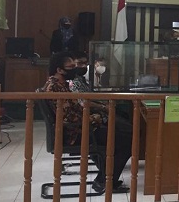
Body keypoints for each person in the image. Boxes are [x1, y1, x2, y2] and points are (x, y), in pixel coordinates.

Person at [42, 51, 131, 193]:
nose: (75, 69)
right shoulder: (54, 88)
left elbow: (75, 109)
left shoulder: (59, 84)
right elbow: (70, 118)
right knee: (127, 141)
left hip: (80, 128)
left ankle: (106, 177)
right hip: (75, 133)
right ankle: (105, 181)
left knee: (121, 134)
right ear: (59, 70)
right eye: (71, 67)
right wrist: (95, 118)